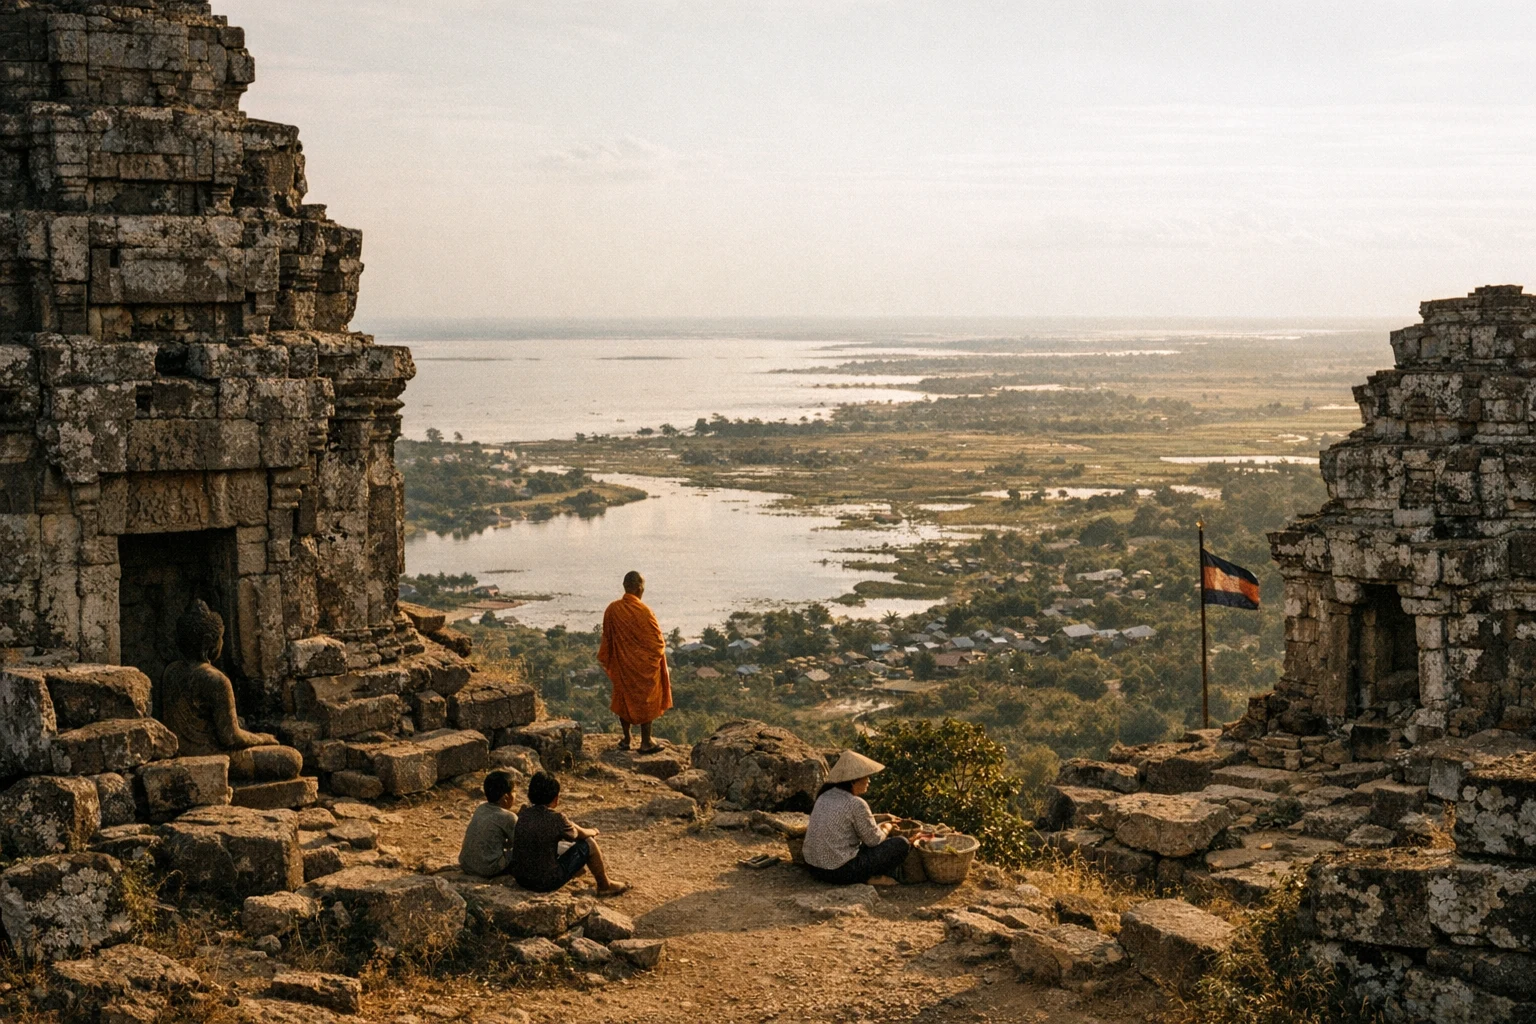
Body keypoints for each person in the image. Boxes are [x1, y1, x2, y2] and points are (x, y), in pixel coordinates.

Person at [510, 770, 629, 896]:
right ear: (555, 799)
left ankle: (580, 873)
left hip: (521, 879)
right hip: (544, 882)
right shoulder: (557, 819)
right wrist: (593, 831)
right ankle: (605, 885)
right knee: (589, 843)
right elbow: (579, 833)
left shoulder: (523, 812)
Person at [802, 751, 910, 886]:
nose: (869, 781)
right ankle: (869, 877)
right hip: (839, 871)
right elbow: (874, 840)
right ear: (853, 780)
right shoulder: (856, 803)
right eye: (866, 777)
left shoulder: (825, 795)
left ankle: (865, 877)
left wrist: (883, 817)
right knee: (901, 843)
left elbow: (849, 819)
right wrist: (887, 827)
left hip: (814, 868)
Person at [598, 570, 672, 753]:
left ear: (625, 587)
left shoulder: (613, 609)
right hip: (643, 667)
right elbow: (657, 643)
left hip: (623, 664)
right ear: (639, 588)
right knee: (647, 698)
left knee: (624, 697)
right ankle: (646, 742)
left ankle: (626, 739)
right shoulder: (645, 611)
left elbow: (607, 638)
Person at [458, 770, 520, 878]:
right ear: (506, 797)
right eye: (514, 791)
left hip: (466, 864)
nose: (516, 795)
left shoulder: (481, 808)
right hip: (487, 869)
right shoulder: (509, 817)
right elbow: (519, 843)